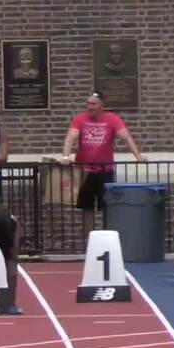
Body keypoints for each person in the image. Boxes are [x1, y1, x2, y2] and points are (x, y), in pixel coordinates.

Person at [59, 92, 145, 244]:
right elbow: (71, 137)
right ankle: (89, 241)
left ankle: (107, 241)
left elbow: (126, 136)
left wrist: (137, 155)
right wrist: (66, 156)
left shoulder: (112, 119)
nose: (90, 107)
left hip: (105, 170)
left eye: (93, 104)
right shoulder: (80, 119)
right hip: (85, 171)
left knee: (107, 207)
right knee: (87, 208)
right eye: (88, 103)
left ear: (101, 105)